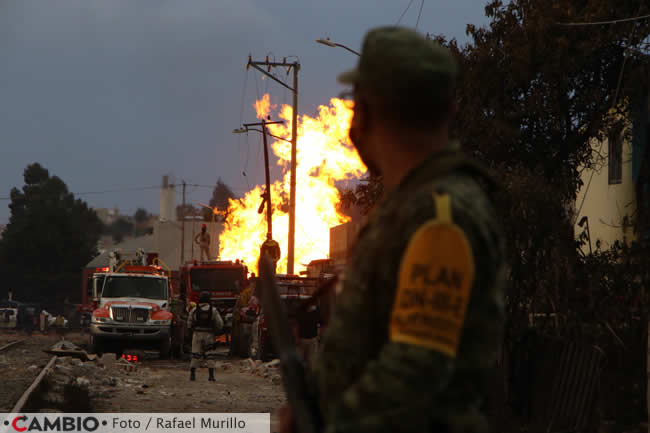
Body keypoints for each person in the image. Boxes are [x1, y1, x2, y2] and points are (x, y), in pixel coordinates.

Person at [280, 26, 507, 433]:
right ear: (448, 111)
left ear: (366, 113)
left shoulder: (441, 218)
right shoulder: (408, 208)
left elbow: (415, 371)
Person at [187, 290, 223, 381]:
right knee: (210, 355)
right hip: (209, 335)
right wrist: (217, 331)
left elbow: (189, 323)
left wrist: (191, 332)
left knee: (195, 354)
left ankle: (192, 374)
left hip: (197, 334)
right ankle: (211, 376)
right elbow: (220, 323)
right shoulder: (213, 310)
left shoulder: (194, 310)